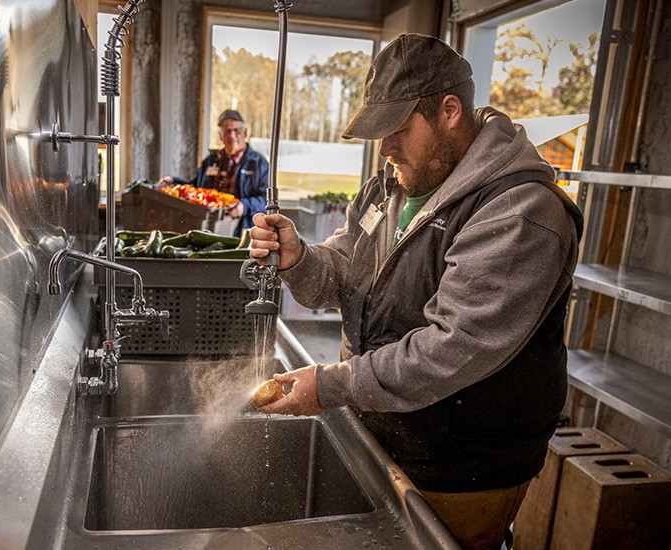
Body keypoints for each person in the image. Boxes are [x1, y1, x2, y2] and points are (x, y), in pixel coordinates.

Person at [249, 34, 583, 550]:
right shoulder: (393, 183)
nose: (385, 148)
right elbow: (342, 269)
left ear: (450, 110)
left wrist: (331, 385)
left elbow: (452, 348)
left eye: (399, 130)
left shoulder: (520, 211)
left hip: (459, 466)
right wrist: (300, 259)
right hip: (386, 433)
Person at [160, 109, 268, 236]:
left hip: (242, 231)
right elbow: (196, 189)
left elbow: (266, 200)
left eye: (236, 130)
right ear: (220, 135)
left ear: (245, 133)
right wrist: (174, 182)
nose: (232, 136)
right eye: (227, 131)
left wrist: (244, 206)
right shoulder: (211, 161)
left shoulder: (259, 164)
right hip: (207, 229)